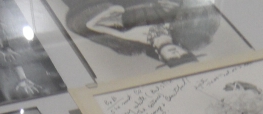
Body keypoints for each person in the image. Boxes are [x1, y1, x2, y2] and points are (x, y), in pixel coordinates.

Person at [62, 0, 219, 68]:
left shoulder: (132, 43)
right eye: (183, 55)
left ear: (163, 58)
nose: (176, 54)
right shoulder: (181, 29)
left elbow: (87, 26)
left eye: (173, 59)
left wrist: (111, 13)